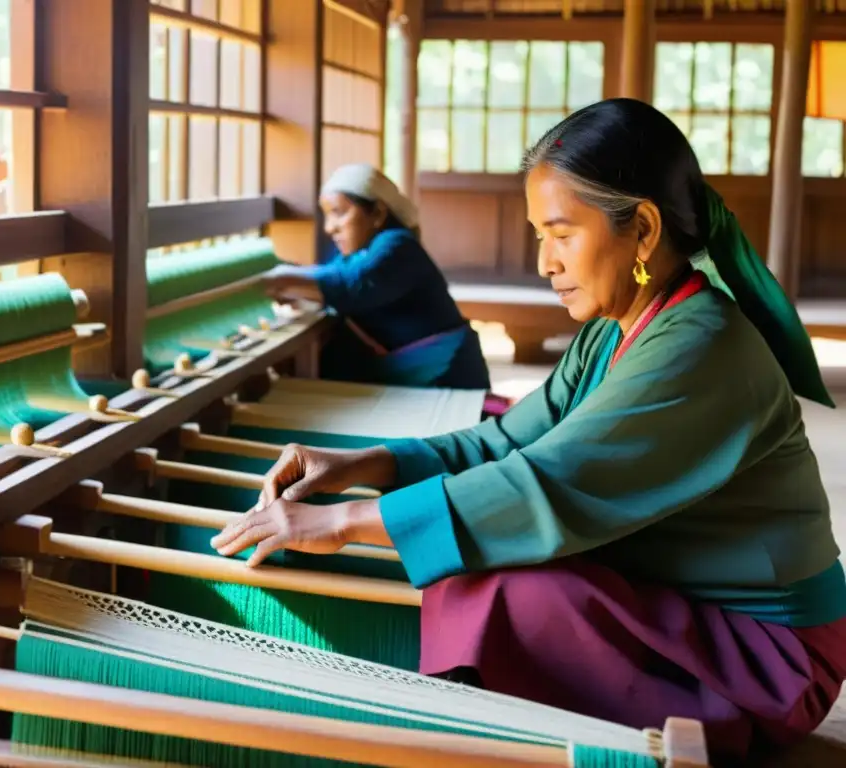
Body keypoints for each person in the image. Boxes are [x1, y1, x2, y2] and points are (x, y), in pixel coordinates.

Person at [211, 99, 846, 766]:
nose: (545, 262)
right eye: (540, 235)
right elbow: (506, 442)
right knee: (482, 554)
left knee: (505, 585)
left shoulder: (702, 345)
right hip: (697, 609)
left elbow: (545, 485)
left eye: (562, 234)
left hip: (771, 657)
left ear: (645, 228)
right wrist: (362, 464)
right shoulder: (615, 328)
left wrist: (342, 522)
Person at [261, 163, 491, 392]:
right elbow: (332, 276)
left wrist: (276, 281)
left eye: (339, 213)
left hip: (450, 378)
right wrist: (294, 287)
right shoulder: (359, 252)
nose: (330, 228)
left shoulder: (397, 245)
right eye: (327, 217)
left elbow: (351, 284)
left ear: (378, 213)